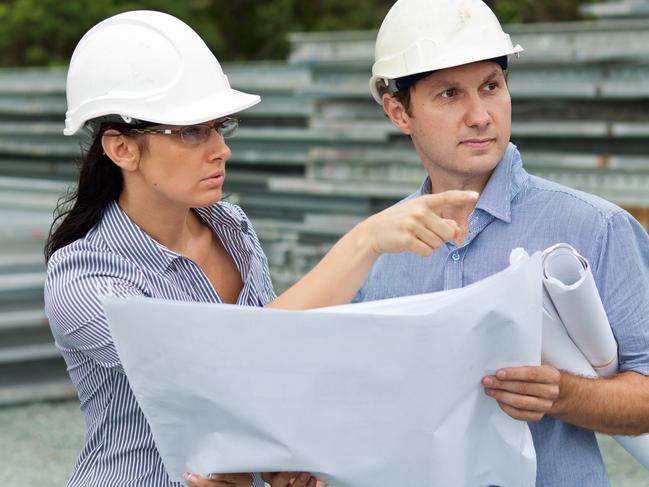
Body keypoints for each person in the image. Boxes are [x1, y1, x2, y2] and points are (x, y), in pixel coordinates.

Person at [44, 10, 477, 487]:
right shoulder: (84, 279)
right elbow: (230, 367)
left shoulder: (232, 228)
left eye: (219, 127)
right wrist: (365, 242)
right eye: (191, 132)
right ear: (121, 148)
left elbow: (270, 384)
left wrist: (277, 461)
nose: (220, 149)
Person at [357, 0, 649, 485]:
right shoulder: (378, 252)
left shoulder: (595, 228)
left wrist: (564, 395)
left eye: (491, 87)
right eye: (450, 94)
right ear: (398, 111)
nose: (480, 116)